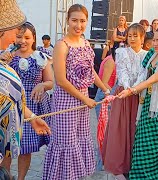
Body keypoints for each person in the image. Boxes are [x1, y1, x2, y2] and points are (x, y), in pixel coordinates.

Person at [42, 4, 110, 179]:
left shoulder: (85, 42)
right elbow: (62, 81)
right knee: (66, 142)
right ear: (67, 21)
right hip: (66, 100)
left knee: (80, 138)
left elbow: (90, 71)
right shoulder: (61, 45)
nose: (78, 25)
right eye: (74, 20)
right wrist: (85, 99)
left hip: (83, 97)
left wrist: (104, 88)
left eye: (82, 21)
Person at [117, 25, 158, 179]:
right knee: (143, 143)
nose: (155, 43)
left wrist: (132, 90)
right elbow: (142, 75)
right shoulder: (151, 55)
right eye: (154, 40)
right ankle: (142, 175)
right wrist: (130, 87)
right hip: (147, 103)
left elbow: (152, 80)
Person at [0, 0, 51, 179]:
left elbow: (13, 96)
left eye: (25, 36)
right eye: (16, 33)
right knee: (6, 151)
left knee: (24, 149)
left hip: (26, 110)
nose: (18, 39)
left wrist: (31, 116)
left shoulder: (39, 58)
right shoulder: (6, 60)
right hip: (8, 118)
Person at [101, 23, 147, 180]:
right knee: (121, 129)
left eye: (136, 35)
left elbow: (144, 74)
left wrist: (136, 89)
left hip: (140, 95)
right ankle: (119, 166)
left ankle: (135, 165)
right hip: (124, 95)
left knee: (137, 129)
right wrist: (128, 89)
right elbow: (122, 72)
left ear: (143, 37)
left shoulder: (147, 55)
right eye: (130, 35)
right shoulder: (121, 52)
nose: (132, 38)